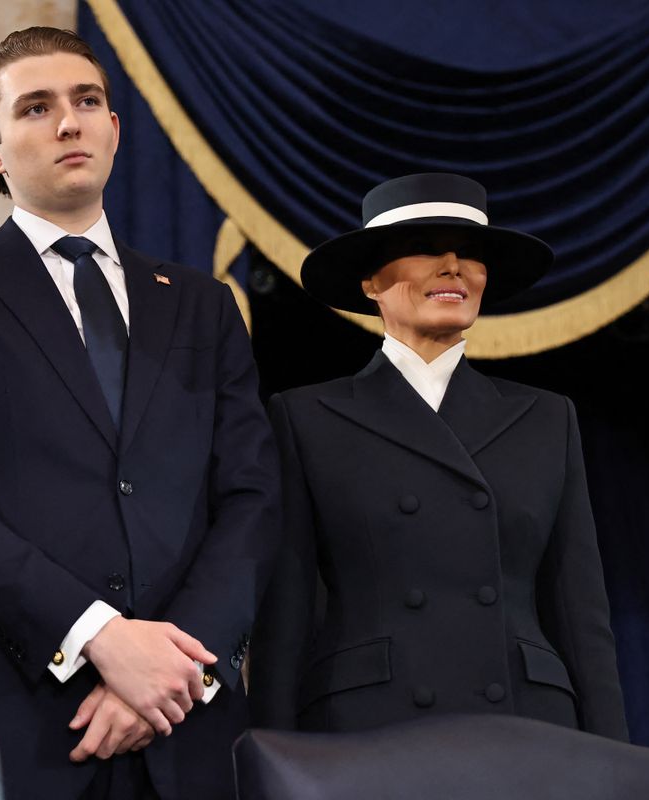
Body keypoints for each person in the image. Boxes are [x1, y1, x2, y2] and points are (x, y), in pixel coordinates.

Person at [0, 27, 279, 800]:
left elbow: (252, 501)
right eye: (36, 108)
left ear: (114, 130)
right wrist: (96, 635)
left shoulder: (203, 304)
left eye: (86, 101)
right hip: (13, 714)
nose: (69, 122)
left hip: (185, 724)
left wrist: (170, 670)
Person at [248, 173, 629, 739]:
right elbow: (286, 611)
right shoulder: (306, 417)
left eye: (471, 254)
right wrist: (270, 758)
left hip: (527, 731)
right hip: (371, 730)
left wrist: (612, 765)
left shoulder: (548, 419)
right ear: (371, 282)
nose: (453, 266)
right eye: (426, 249)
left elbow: (580, 613)